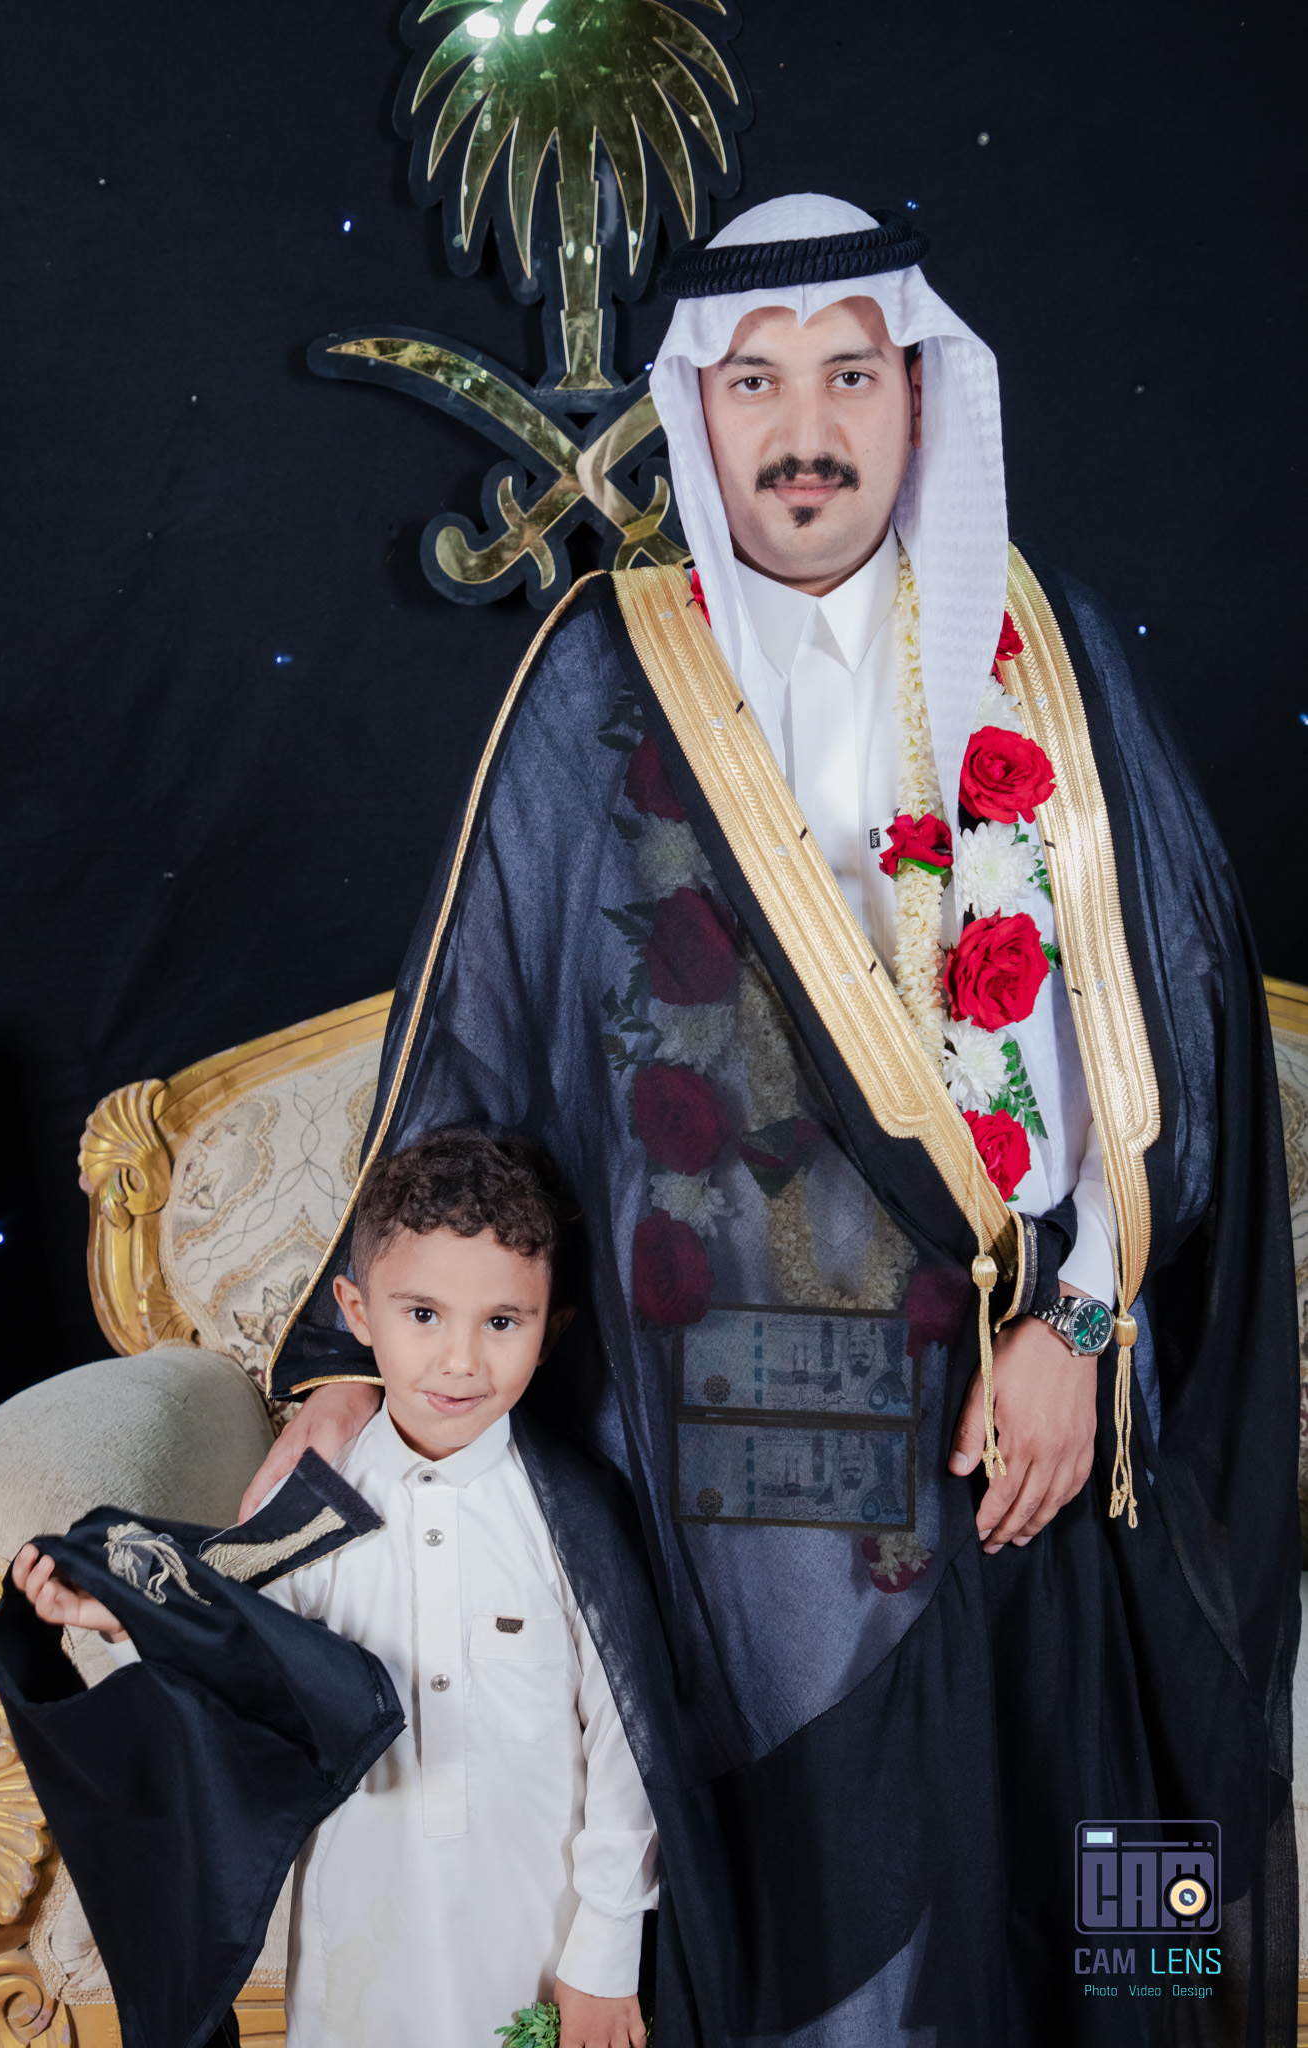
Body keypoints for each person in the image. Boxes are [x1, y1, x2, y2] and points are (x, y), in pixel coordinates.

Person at [242, 196, 1298, 2044]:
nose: (804, 428)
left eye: (848, 375)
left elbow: (1173, 1035)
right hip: (721, 1478)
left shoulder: (1048, 658)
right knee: (806, 1951)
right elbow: (476, 1031)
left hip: (1014, 1430)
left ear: (917, 394)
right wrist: (347, 1362)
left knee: (1093, 1917)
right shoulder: (600, 669)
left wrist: (1081, 1327)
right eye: (754, 383)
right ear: (698, 411)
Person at [13, 1127, 658, 2048]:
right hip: (360, 1938)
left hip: (533, 1935)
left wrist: (604, 1950)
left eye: (501, 1322)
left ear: (549, 1328)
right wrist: (126, 1621)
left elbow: (629, 1743)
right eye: (423, 1314)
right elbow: (238, 1675)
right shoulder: (313, 1502)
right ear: (356, 1311)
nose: (460, 1360)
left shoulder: (575, 1518)